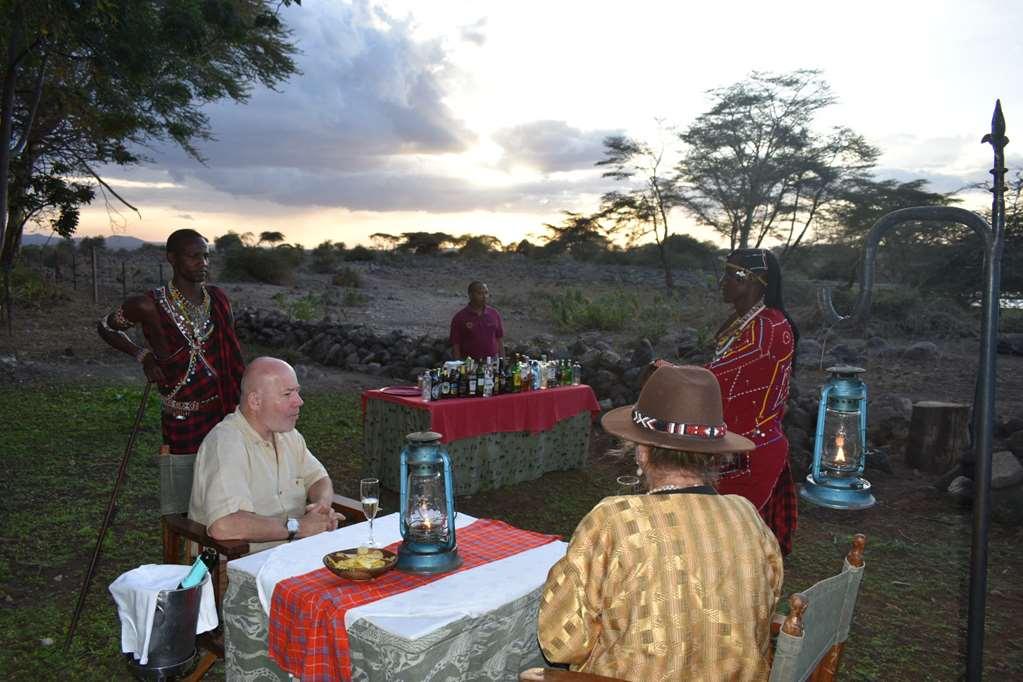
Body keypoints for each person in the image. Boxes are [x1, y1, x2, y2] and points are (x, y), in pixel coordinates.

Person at [538, 365, 783, 681]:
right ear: (714, 456)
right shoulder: (749, 517)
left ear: (641, 452)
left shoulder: (615, 521)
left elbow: (562, 642)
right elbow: (763, 608)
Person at [97, 228, 245, 514]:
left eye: (206, 256)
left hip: (224, 413)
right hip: (183, 418)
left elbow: (232, 356)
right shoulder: (148, 305)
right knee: (186, 502)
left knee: (226, 494)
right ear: (172, 259)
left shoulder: (218, 300)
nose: (202, 263)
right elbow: (105, 327)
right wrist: (142, 356)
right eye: (193, 256)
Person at [188, 357, 342, 551]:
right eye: (287, 394)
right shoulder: (226, 442)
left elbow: (319, 479)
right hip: (240, 564)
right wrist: (299, 526)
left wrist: (321, 508)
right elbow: (224, 526)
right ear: (255, 401)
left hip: (294, 553)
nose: (299, 401)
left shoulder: (289, 436)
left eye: (297, 392)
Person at [707, 248, 799, 556]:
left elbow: (723, 375)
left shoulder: (768, 327)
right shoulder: (748, 322)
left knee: (731, 544)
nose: (723, 282)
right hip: (733, 443)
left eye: (730, 275)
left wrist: (675, 376)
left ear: (752, 281)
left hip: (749, 449)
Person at [449, 280, 504, 360]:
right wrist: (458, 365)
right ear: (470, 295)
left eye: (486, 293)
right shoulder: (460, 317)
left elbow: (499, 339)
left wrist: (503, 361)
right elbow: (455, 344)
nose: (484, 296)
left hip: (492, 361)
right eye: (480, 293)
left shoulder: (494, 314)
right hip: (470, 362)